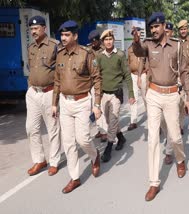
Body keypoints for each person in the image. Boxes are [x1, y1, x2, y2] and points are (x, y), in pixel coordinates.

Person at [132, 12, 189, 201]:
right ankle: (154, 182)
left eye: (156, 27)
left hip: (172, 95)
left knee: (174, 136)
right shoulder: (149, 44)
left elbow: (184, 72)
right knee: (152, 138)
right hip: (154, 95)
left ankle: (180, 159)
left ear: (164, 26)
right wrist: (135, 41)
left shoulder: (177, 45)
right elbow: (139, 51)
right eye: (151, 27)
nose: (154, 30)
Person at [52, 20, 101, 193]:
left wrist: (97, 104)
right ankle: (75, 177)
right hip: (65, 103)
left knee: (83, 139)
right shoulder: (59, 54)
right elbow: (57, 80)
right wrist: (54, 103)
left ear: (75, 36)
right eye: (62, 35)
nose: (63, 38)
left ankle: (95, 156)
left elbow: (96, 79)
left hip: (82, 102)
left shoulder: (86, 54)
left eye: (67, 35)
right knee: (68, 142)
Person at [26, 15, 61, 176]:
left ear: (44, 28)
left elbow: (61, 71)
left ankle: (54, 161)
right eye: (31, 29)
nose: (33, 31)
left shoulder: (55, 46)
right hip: (33, 92)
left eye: (36, 28)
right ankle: (39, 160)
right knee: (31, 128)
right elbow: (31, 68)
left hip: (49, 92)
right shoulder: (31, 47)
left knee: (52, 128)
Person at [96, 29, 135, 162]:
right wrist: (97, 95)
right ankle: (121, 138)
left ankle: (108, 148)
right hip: (104, 95)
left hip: (116, 94)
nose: (108, 42)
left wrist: (131, 93)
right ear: (103, 42)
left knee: (112, 121)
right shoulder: (99, 56)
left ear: (114, 40)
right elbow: (97, 76)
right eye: (106, 40)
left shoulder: (120, 55)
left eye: (110, 39)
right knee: (109, 121)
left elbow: (127, 75)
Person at [127, 27, 146, 131]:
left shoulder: (144, 47)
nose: (137, 35)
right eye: (135, 34)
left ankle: (154, 119)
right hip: (133, 75)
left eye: (138, 33)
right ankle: (133, 121)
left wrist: (140, 76)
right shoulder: (130, 49)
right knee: (133, 98)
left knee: (145, 97)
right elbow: (128, 62)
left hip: (143, 74)